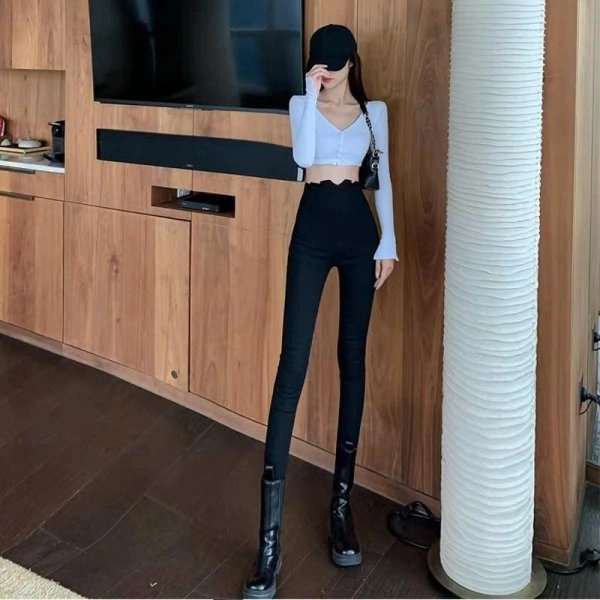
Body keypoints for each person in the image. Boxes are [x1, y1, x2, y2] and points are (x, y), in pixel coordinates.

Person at [243, 23, 398, 599]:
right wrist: (311, 94)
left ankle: (340, 509)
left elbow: (384, 179)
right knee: (292, 367)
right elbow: (304, 157)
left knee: (351, 362)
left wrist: (389, 243)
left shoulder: (374, 112)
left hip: (358, 234)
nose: (325, 73)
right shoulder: (300, 103)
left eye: (332, 66)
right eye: (318, 65)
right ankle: (268, 543)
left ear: (350, 62)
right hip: (311, 230)